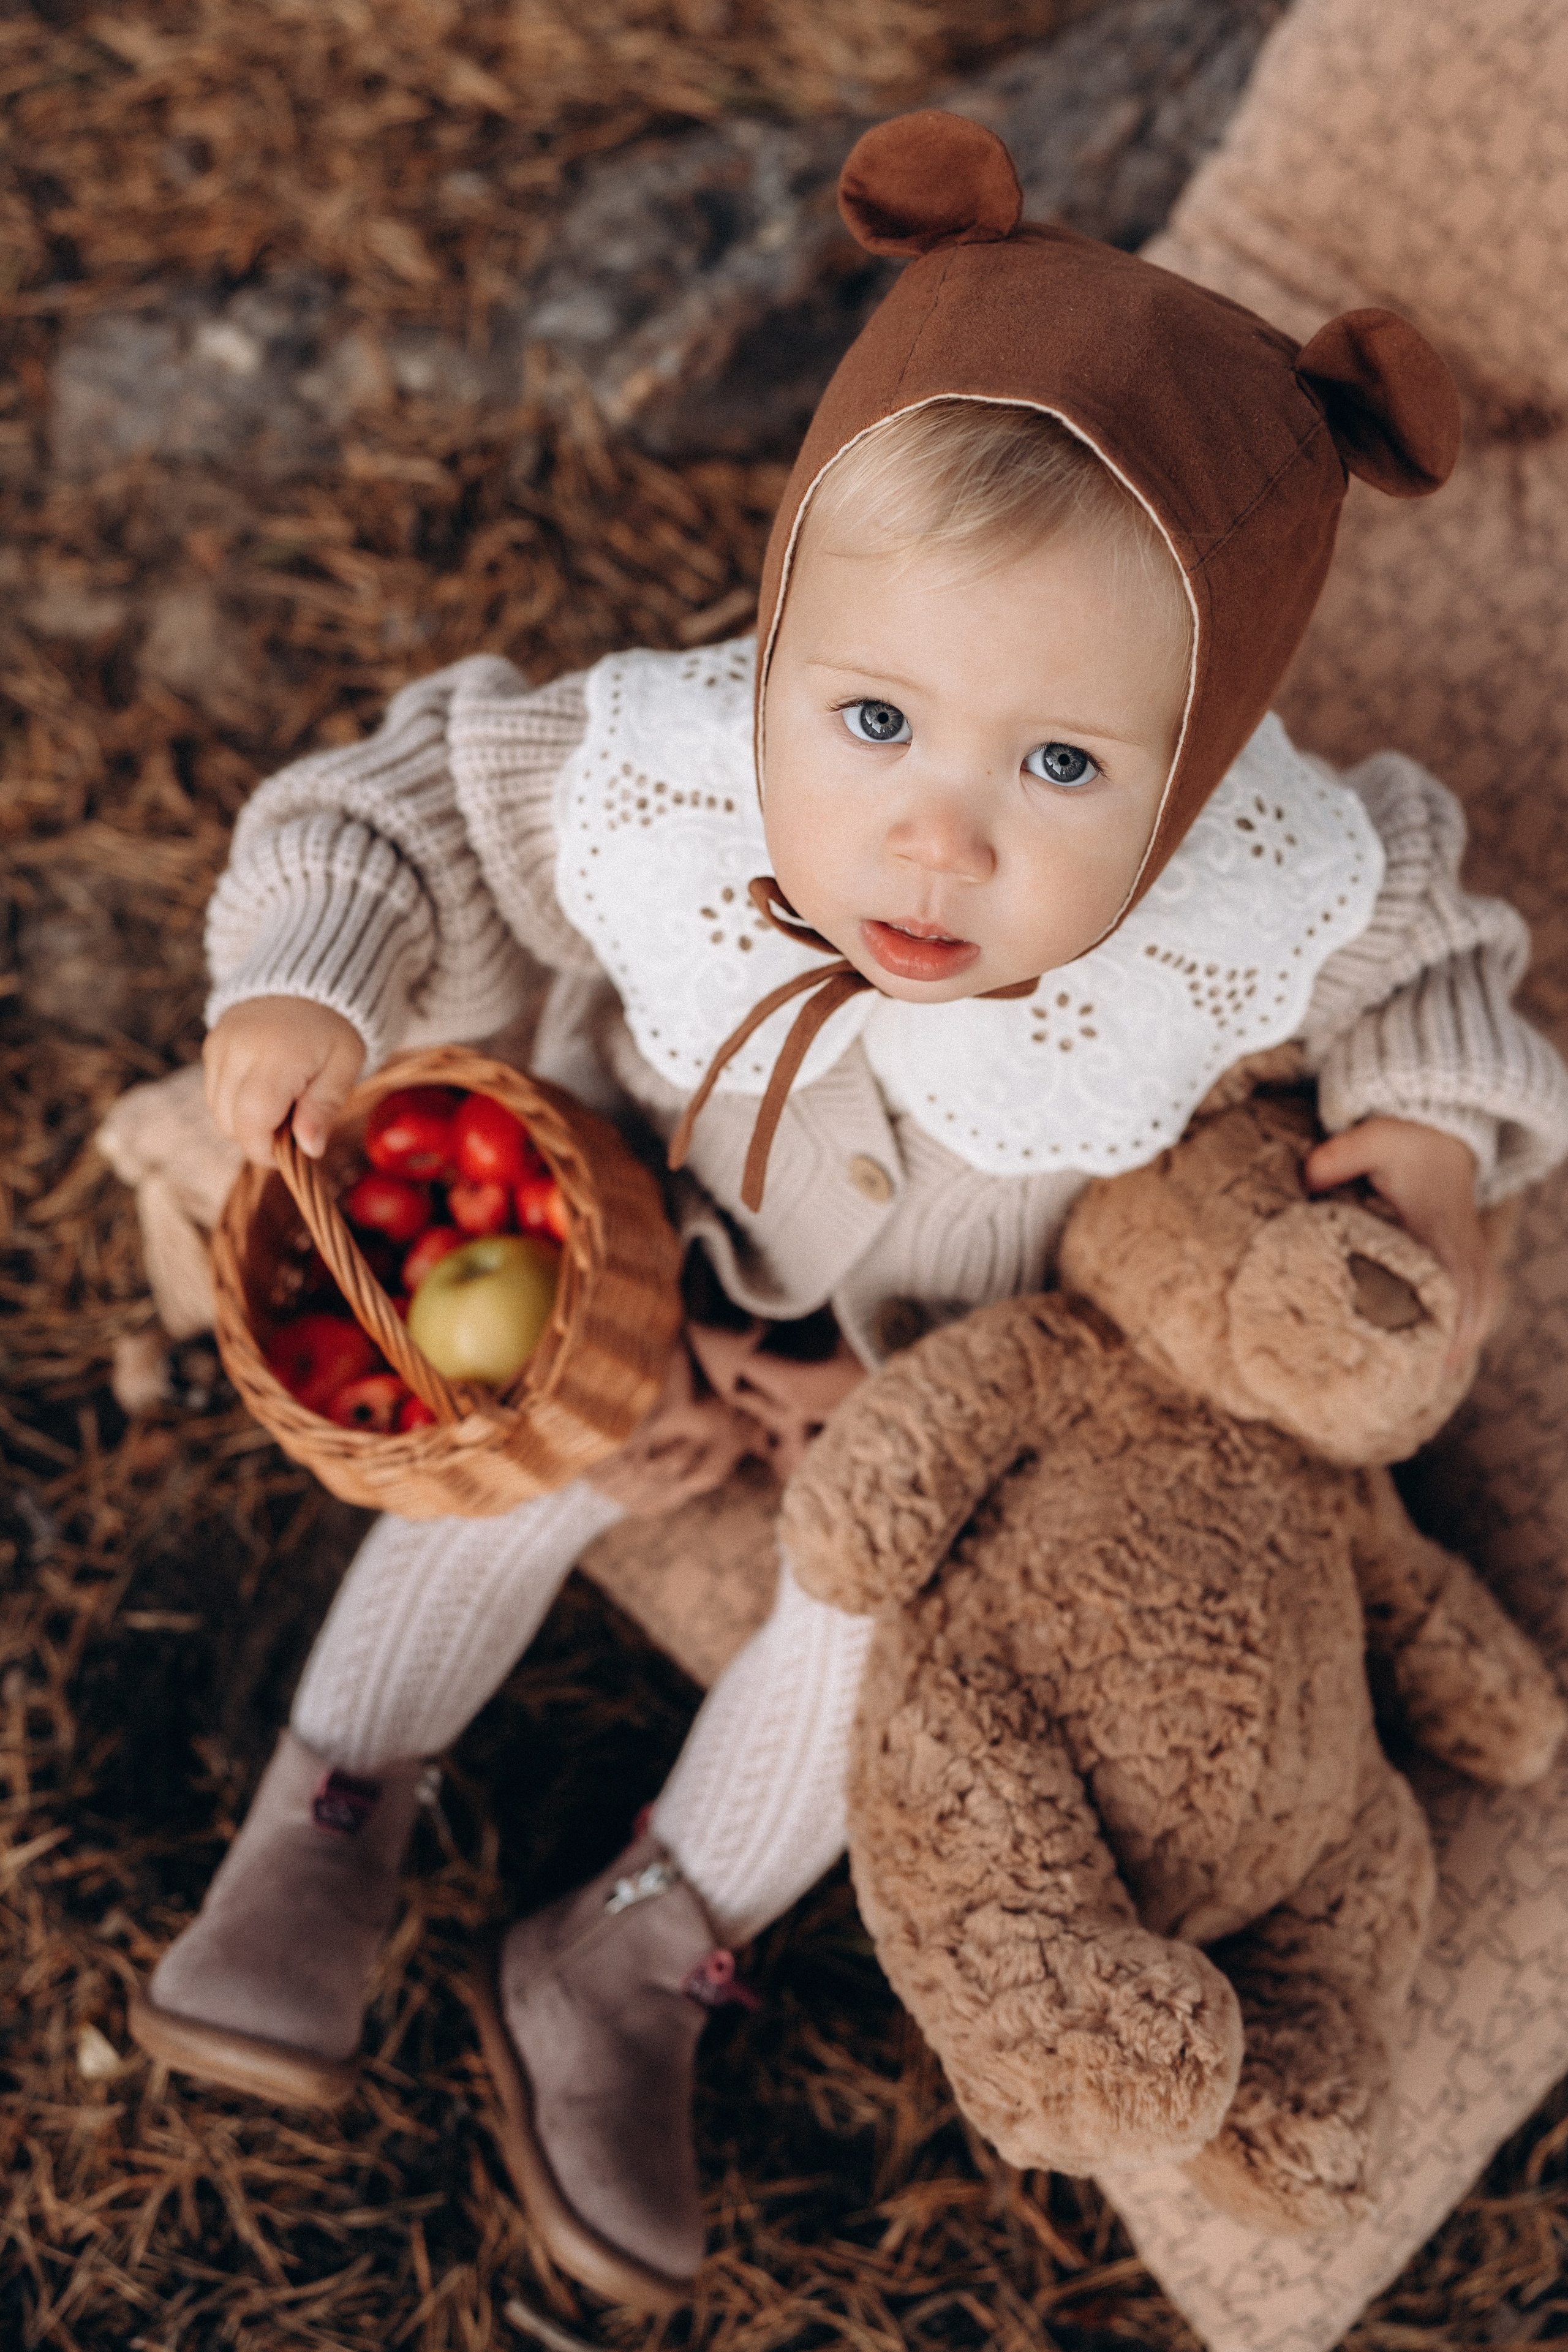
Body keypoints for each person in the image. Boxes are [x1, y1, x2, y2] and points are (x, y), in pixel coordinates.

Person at [127, 112, 1568, 2312]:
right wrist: (304, 985)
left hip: (941, 1380)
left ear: (1195, 772)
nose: (934, 840)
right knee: (516, 1435)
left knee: (877, 1634)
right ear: (784, 633)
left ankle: (637, 1949)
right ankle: (334, 1800)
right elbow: (393, 803)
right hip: (637, 1237)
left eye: (1062, 770)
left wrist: (1445, 1144)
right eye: (874, 717)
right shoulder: (664, 774)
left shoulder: (1265, 881)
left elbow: (1443, 969)